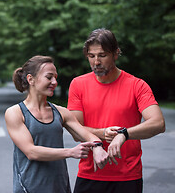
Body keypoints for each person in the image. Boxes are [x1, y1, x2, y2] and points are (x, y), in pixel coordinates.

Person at [67, 28, 166, 193]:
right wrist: (102, 133)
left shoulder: (137, 85)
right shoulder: (78, 84)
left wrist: (123, 134)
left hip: (127, 176)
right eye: (91, 56)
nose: (96, 62)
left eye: (102, 55)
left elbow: (158, 123)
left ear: (116, 53)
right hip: (90, 173)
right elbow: (75, 131)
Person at [5, 56, 108, 193]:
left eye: (55, 77)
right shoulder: (15, 113)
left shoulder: (61, 112)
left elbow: (87, 135)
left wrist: (98, 147)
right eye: (49, 77)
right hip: (29, 189)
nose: (54, 82)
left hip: (60, 188)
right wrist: (70, 152)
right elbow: (31, 152)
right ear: (31, 79)